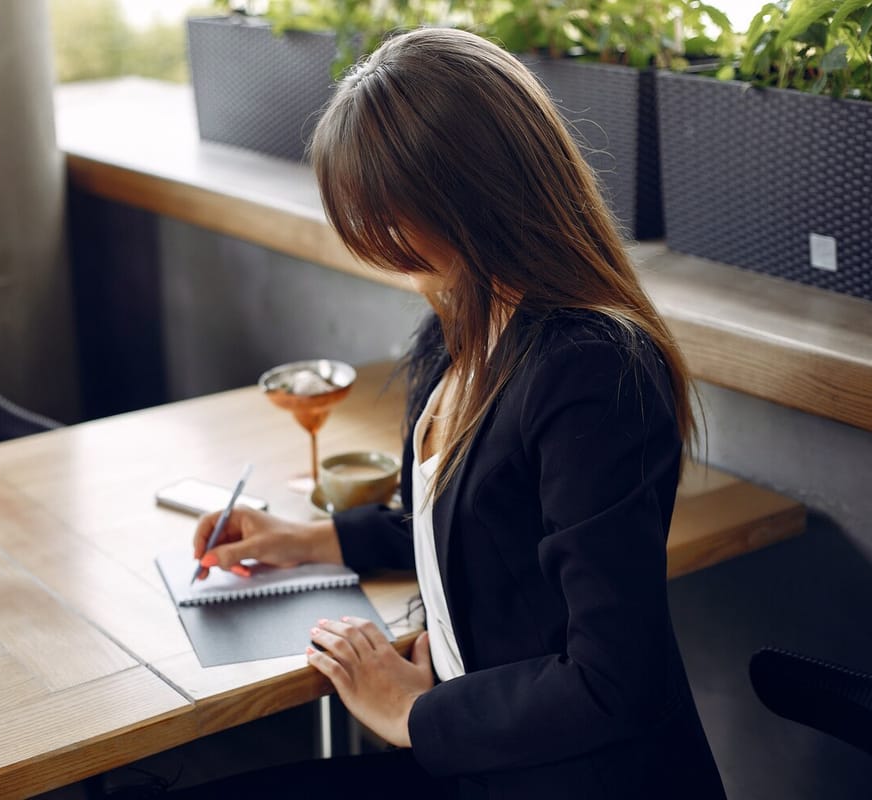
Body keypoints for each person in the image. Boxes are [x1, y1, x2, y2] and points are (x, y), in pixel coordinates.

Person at [187, 26, 726, 800]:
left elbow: (614, 680)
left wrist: (414, 710)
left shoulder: (593, 369)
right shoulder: (454, 327)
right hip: (480, 753)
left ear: (473, 193)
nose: (380, 240)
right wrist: (304, 540)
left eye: (389, 213)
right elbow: (477, 531)